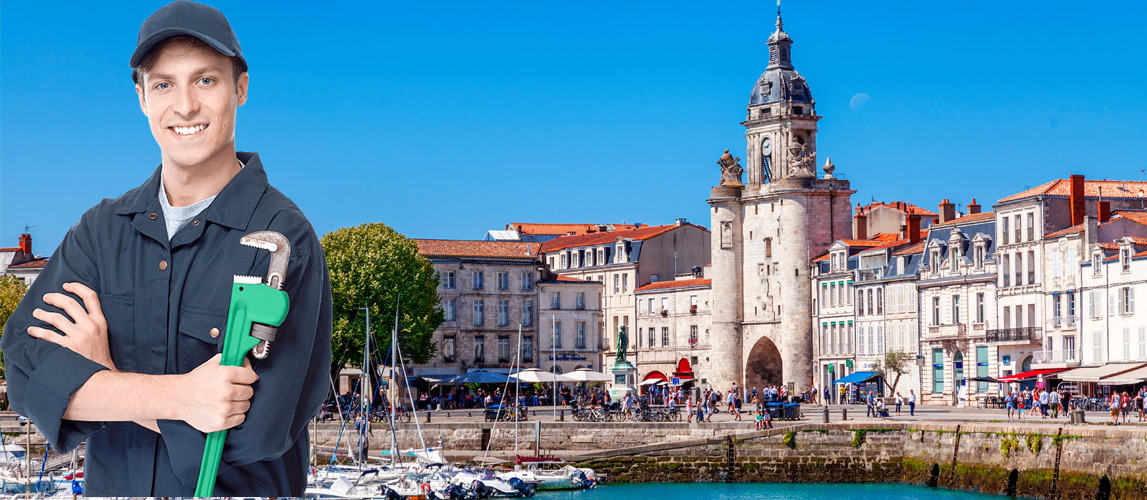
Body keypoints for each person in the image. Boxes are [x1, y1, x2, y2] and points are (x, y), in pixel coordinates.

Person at [0, 2, 332, 496]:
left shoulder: (286, 239)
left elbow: (253, 433)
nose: (184, 107)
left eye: (205, 81)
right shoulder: (99, 233)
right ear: (141, 97)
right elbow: (26, 373)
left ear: (240, 88)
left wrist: (103, 380)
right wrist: (180, 398)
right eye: (163, 84)